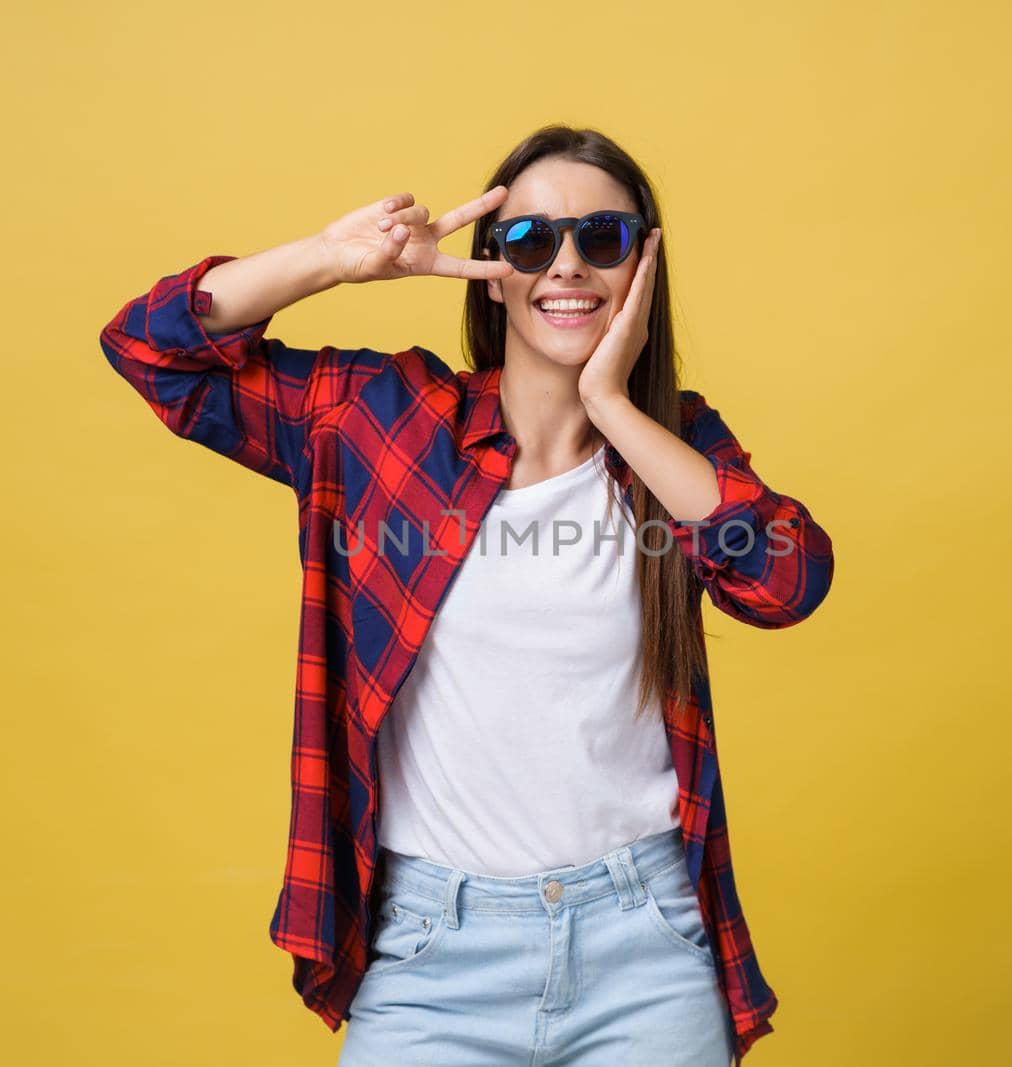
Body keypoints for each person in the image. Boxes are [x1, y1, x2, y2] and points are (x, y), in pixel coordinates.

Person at [98, 124, 835, 1065]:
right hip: (433, 951)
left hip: (644, 944)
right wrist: (332, 260)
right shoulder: (386, 420)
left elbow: (787, 579)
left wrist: (614, 405)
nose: (566, 266)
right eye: (530, 242)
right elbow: (150, 349)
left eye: (601, 238)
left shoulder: (676, 448)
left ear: (643, 261)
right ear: (492, 267)